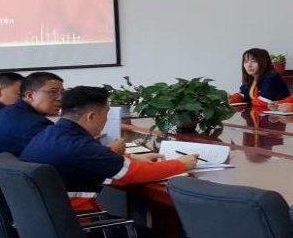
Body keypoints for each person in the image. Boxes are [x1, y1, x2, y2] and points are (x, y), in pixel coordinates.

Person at [21, 86, 199, 210]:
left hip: (51, 222)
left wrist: (130, 158)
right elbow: (135, 174)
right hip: (80, 225)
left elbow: (91, 162)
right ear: (91, 116)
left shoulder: (50, 134)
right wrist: (181, 164)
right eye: (106, 114)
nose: (106, 120)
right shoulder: (80, 146)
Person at [0, 71, 64, 156]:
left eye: (62, 93)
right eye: (52, 92)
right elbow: (64, 151)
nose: (60, 98)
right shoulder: (34, 124)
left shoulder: (9, 111)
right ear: (30, 95)